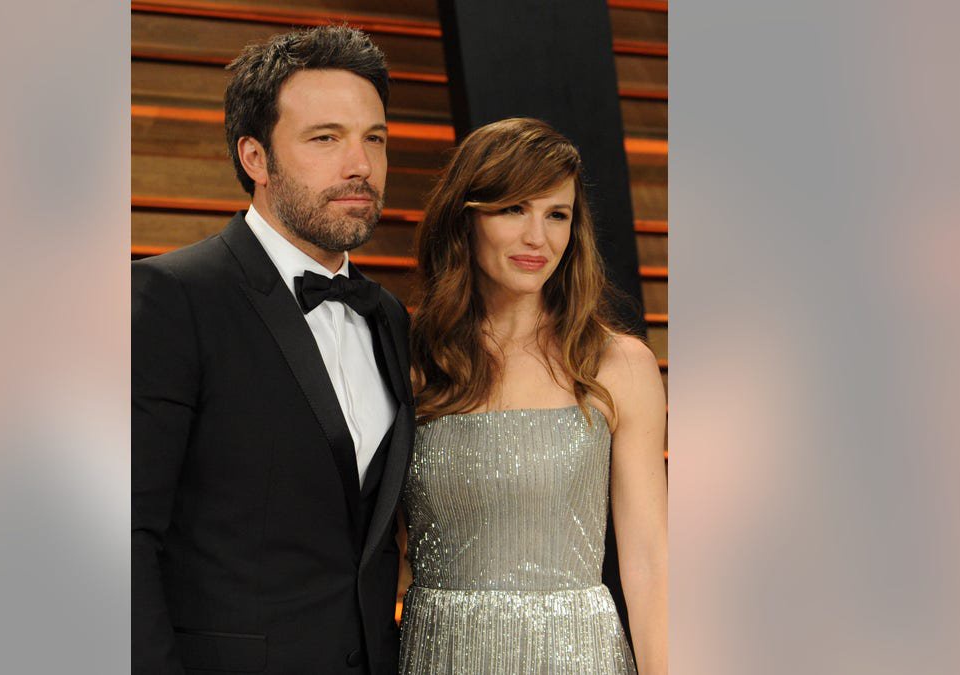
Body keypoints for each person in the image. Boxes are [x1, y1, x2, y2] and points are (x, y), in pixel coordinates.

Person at [132, 26, 415, 674]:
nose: (361, 165)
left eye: (375, 138)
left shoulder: (390, 317)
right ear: (255, 158)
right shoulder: (172, 297)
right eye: (326, 138)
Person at [400, 118, 668, 674]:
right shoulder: (411, 364)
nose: (536, 239)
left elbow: (650, 563)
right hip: (439, 657)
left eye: (557, 215)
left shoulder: (619, 366)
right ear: (466, 218)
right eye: (513, 209)